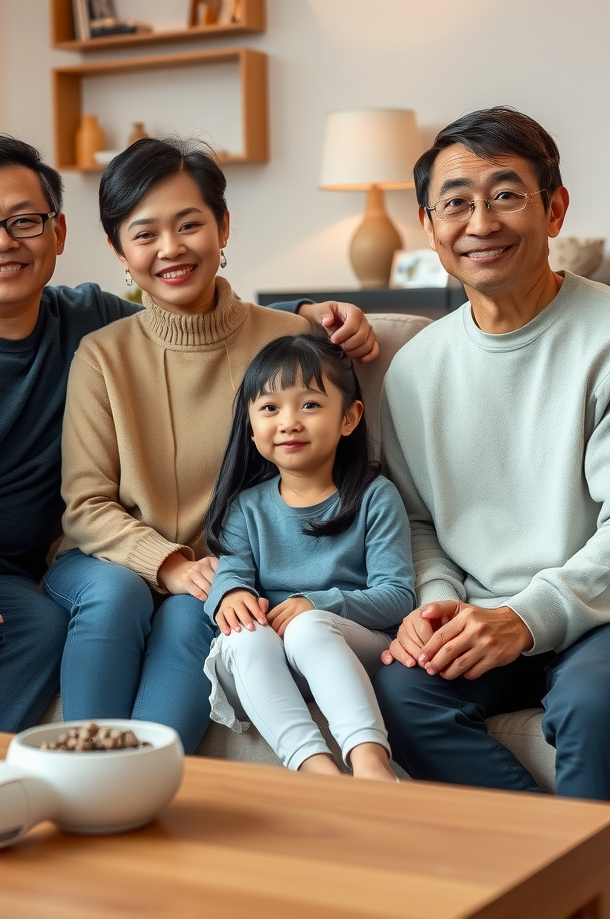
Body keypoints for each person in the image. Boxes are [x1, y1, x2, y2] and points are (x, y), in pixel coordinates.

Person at [0, 134, 370, 734]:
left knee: (45, 628)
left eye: (24, 220)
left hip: (3, 580)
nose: (3, 241)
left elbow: (187, 323)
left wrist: (307, 315)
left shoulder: (89, 321)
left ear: (59, 234)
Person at [371, 107, 610, 918]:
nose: (481, 223)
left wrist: (523, 618)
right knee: (401, 693)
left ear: (555, 208)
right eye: (456, 203)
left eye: (505, 195)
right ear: (429, 226)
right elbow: (421, 523)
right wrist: (438, 605)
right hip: (489, 608)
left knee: (594, 700)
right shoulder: (416, 369)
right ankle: (561, 883)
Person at [51, 138, 380, 754]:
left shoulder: (289, 338)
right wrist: (169, 563)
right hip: (112, 560)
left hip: (220, 579)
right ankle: (77, 768)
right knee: (123, 595)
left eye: (189, 224)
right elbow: (84, 505)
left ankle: (133, 781)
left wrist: (214, 579)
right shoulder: (103, 355)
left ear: (222, 227)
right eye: (144, 233)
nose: (170, 249)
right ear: (119, 251)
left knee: (191, 614)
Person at [202, 332, 415, 780]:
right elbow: (231, 571)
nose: (289, 422)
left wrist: (316, 604)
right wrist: (229, 593)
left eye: (310, 405)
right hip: (264, 666)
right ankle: (318, 773)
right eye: (270, 408)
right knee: (242, 633)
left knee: (307, 626)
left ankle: (372, 766)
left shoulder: (375, 497)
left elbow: (397, 596)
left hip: (347, 646)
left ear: (350, 418)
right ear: (250, 424)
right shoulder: (246, 507)